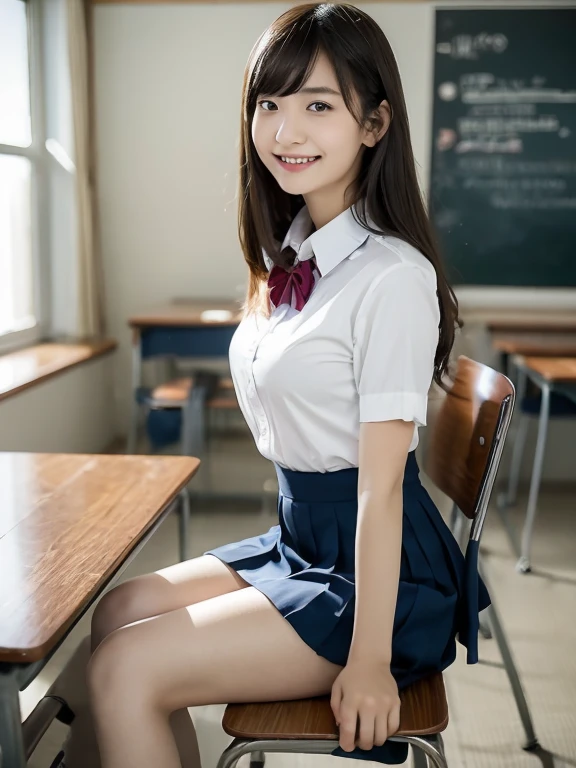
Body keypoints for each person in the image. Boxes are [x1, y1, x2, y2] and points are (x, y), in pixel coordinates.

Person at [51, 4, 489, 767]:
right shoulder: (292, 256)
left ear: (375, 124)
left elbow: (380, 493)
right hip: (300, 540)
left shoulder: (390, 278)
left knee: (128, 666)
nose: (285, 132)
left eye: (318, 106)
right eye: (269, 103)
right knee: (116, 613)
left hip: (375, 571)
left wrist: (368, 660)